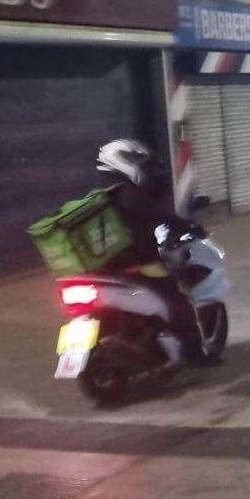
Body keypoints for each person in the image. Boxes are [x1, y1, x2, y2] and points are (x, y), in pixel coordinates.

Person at [94, 139, 203, 369]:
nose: (142, 166)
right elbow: (161, 216)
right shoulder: (131, 194)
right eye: (135, 161)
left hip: (105, 268)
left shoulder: (105, 196)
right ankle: (195, 355)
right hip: (137, 263)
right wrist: (185, 225)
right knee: (177, 300)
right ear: (123, 162)